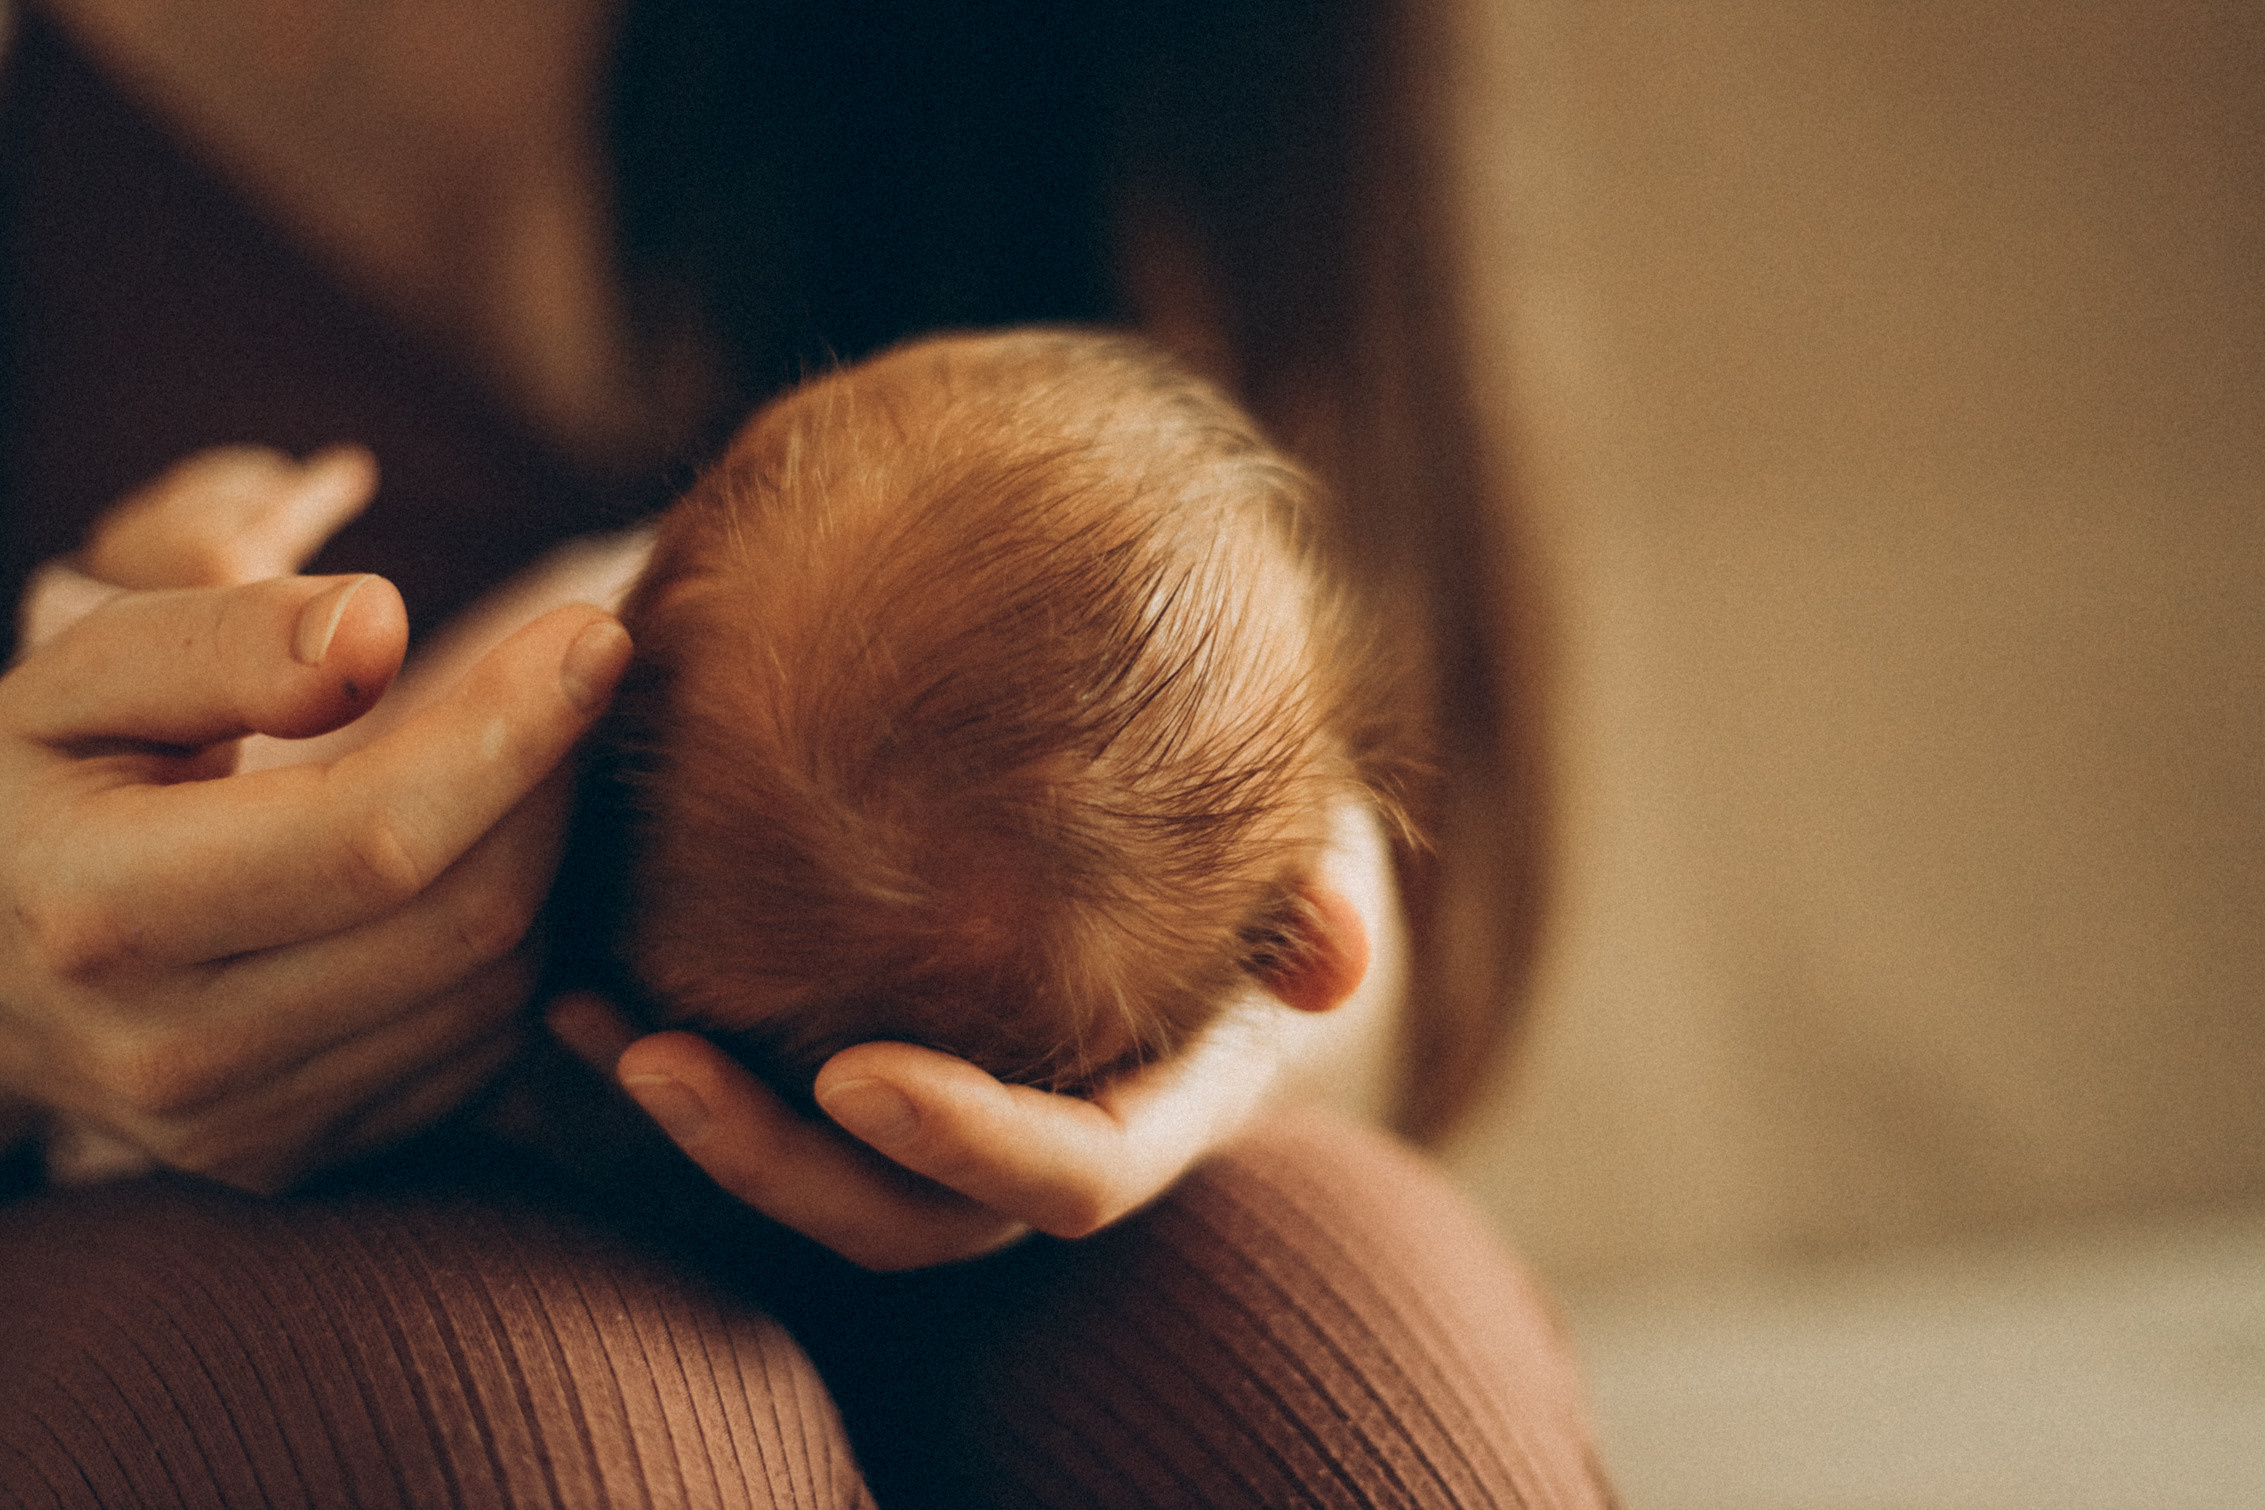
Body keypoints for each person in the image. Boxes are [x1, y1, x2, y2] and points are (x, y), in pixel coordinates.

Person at [0, 1, 1603, 1504]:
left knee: (1344, 1395)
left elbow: (1387, 844)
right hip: (141, 1214)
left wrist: (1266, 978)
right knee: (514, 1430)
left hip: (1018, 1203)